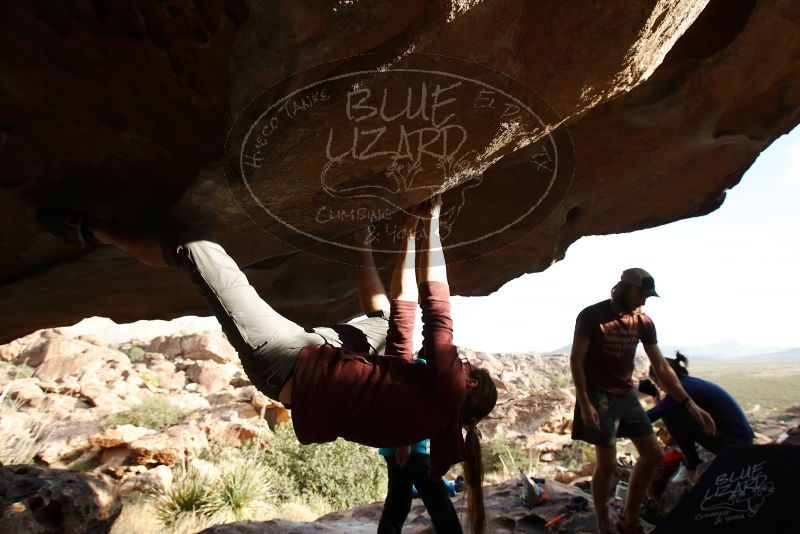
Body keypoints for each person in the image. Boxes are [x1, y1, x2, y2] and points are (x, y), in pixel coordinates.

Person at [37, 196, 497, 534]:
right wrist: (403, 236)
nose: (465, 360)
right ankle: (361, 241)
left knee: (195, 247)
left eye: (470, 365)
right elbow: (399, 319)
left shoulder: (447, 386)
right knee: (382, 322)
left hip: (283, 360)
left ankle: (92, 230)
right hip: (317, 354)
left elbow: (435, 303)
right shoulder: (422, 406)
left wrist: (431, 222)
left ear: (468, 384)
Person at [569, 268, 716, 534]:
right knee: (608, 463)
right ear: (624, 288)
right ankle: (604, 524)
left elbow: (660, 365)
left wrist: (690, 404)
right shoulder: (592, 315)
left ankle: (629, 518)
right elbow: (577, 359)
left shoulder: (644, 322)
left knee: (653, 454)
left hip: (625, 394)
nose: (644, 302)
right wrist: (585, 401)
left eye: (648, 297)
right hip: (598, 395)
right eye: (641, 295)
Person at [644, 351, 754, 482]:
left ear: (662, 378)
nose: (659, 387)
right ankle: (692, 462)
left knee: (670, 414)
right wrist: (656, 397)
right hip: (741, 440)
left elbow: (648, 418)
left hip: (734, 445)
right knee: (672, 411)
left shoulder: (681, 390)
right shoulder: (688, 383)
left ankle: (691, 464)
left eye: (656, 382)